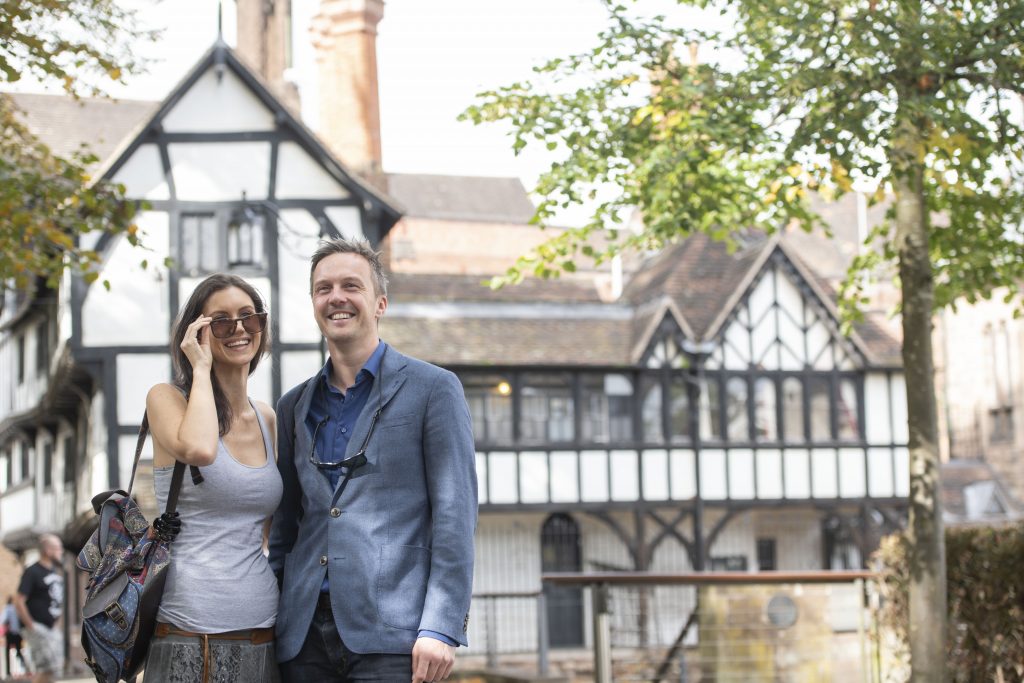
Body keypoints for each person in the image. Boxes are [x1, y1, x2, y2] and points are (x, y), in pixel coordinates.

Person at [269, 238, 477, 683]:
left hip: (393, 637)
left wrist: (440, 626)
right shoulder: (292, 406)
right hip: (301, 639)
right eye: (323, 288)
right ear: (313, 304)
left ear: (380, 302)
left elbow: (455, 516)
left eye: (351, 285)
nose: (336, 297)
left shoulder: (434, 389)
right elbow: (286, 529)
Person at [143, 273, 283, 682]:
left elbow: (263, 529)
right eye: (220, 321)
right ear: (196, 332)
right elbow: (201, 449)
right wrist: (200, 369)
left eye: (249, 317)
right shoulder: (166, 399)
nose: (238, 329)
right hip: (188, 634)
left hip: (262, 632)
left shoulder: (267, 418)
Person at [13, 534, 64, 683]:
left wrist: (56, 624)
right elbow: (19, 601)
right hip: (37, 628)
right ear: (47, 550)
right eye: (57, 548)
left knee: (54, 669)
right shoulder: (32, 572)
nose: (60, 552)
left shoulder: (54, 571)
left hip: (51, 628)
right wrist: (31, 626)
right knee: (45, 668)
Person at [2, 596, 29, 677]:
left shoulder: (8, 609)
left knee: (7, 653)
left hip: (10, 633)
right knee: (19, 651)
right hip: (18, 633)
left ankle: (8, 672)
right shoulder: (17, 609)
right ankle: (24, 667)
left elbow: (3, 619)